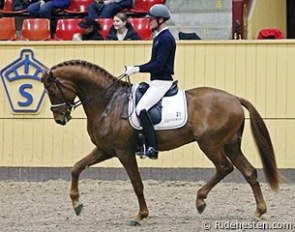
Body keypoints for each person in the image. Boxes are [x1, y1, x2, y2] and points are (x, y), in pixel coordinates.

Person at [123, 4, 176, 159]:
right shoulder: (159, 37)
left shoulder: (166, 38)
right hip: (156, 81)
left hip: (162, 82)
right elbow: (154, 63)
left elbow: (158, 65)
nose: (149, 22)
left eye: (151, 19)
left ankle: (152, 147)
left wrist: (136, 69)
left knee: (141, 109)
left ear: (160, 19)